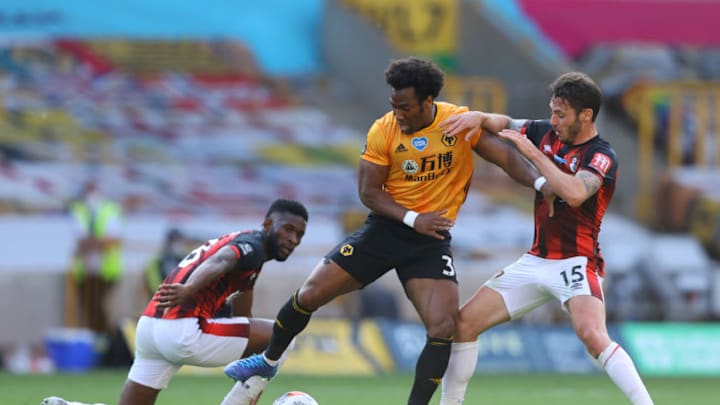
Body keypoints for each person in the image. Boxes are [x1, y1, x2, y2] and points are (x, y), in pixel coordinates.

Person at [223, 56, 544, 405]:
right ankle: (267, 364)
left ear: (427, 102)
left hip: (430, 242)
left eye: (405, 107)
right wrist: (412, 218)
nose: (398, 113)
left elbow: (507, 158)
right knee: (310, 294)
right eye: (394, 105)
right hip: (385, 230)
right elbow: (368, 192)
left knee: (442, 328)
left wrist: (542, 182)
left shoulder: (457, 123)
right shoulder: (383, 129)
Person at [439, 72, 654, 404]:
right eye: (552, 111)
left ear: (586, 115)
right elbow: (504, 122)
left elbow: (574, 192)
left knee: (593, 336)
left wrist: (531, 152)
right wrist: (479, 116)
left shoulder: (601, 155)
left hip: (577, 263)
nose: (553, 120)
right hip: (535, 261)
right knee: (464, 323)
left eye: (560, 114)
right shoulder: (546, 131)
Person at [43, 198, 309, 405]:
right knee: (283, 336)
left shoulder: (249, 250)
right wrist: (190, 287)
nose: (292, 239)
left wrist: (241, 332)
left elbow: (242, 301)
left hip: (149, 329)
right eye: (287, 229)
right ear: (266, 225)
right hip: (182, 330)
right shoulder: (253, 246)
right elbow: (223, 259)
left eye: (299, 234)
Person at [68, 180, 124, 335]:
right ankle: (99, 338)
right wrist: (100, 242)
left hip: (106, 270)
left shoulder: (110, 209)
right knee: (88, 308)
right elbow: (81, 239)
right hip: (85, 271)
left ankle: (105, 337)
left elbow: (112, 239)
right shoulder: (79, 209)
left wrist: (91, 242)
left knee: (97, 306)